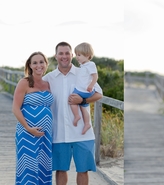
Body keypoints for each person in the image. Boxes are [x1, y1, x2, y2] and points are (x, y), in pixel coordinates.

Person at [45, 41, 104, 185]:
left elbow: (99, 94)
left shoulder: (83, 72)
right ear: (56, 56)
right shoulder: (48, 78)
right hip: (59, 132)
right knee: (60, 170)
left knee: (82, 170)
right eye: (61, 53)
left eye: (67, 53)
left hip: (82, 133)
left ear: (72, 55)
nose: (64, 56)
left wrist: (83, 99)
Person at [13, 52, 55, 185]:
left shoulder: (48, 84)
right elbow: (15, 108)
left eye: (41, 62)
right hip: (26, 133)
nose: (39, 65)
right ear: (30, 66)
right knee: (28, 168)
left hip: (45, 135)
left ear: (46, 64)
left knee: (44, 167)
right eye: (35, 63)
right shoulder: (24, 82)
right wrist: (28, 128)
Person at [70, 42, 99, 135]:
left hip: (84, 90)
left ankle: (77, 116)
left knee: (71, 99)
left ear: (87, 55)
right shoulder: (84, 65)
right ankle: (87, 123)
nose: (77, 57)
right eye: (76, 55)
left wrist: (91, 85)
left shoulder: (90, 64)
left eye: (79, 55)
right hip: (84, 91)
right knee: (83, 107)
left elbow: (95, 76)